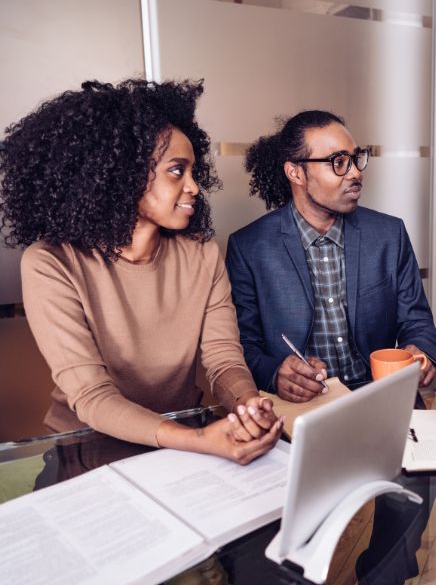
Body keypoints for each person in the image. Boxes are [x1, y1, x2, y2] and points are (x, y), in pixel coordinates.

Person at [0, 79, 282, 464]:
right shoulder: (51, 263)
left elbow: (224, 359)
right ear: (122, 174)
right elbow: (92, 396)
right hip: (88, 450)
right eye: (176, 171)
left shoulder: (202, 254)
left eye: (194, 171)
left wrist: (249, 406)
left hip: (184, 440)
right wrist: (199, 439)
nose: (195, 187)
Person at [226, 110, 436, 401]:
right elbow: (243, 345)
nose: (355, 173)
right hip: (304, 407)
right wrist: (276, 372)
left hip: (381, 396)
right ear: (296, 173)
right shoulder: (249, 247)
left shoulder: (389, 234)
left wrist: (421, 351)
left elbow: (416, 322)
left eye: (356, 159)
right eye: (338, 162)